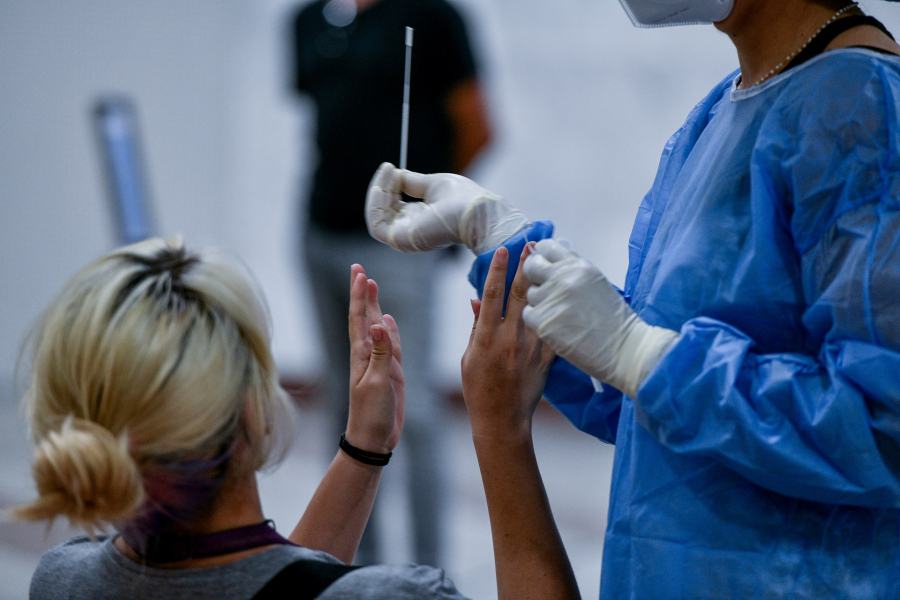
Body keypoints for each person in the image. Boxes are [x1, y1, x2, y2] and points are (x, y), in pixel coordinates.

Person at [364, 0, 900, 597]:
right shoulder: (728, 108)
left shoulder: (861, 106)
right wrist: (502, 243)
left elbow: (882, 424)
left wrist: (643, 355)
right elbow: (650, 401)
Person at [12, 237, 580, 600]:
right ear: (253, 410)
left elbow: (266, 587)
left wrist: (363, 450)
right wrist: (502, 431)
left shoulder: (64, 581)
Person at [290, 0, 492, 566]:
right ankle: (355, 566)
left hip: (396, 244)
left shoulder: (432, 17)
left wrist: (434, 207)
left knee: (414, 408)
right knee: (342, 401)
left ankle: (428, 572)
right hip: (320, 232)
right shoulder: (309, 20)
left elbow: (477, 125)